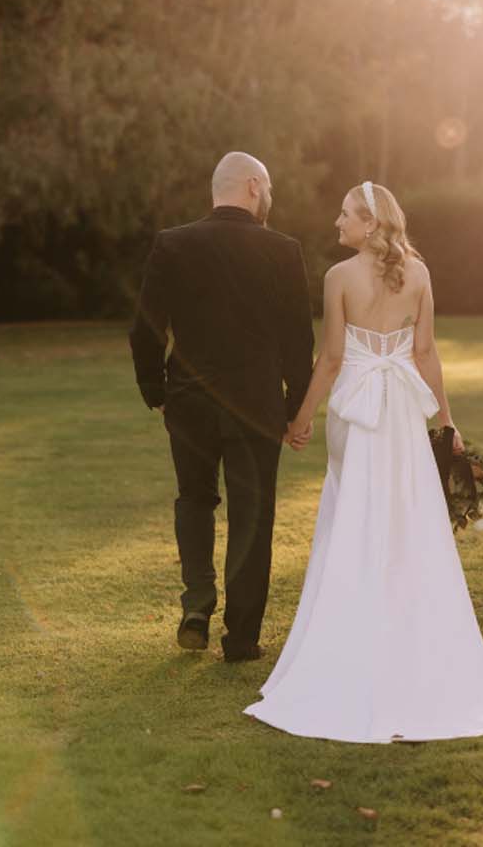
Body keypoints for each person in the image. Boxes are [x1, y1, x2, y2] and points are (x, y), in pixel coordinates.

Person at [243, 181, 483, 741]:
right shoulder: (418, 273)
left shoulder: (338, 278)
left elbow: (328, 359)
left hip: (355, 409)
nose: (337, 223)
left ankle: (349, 640)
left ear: (370, 224)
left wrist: (299, 420)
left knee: (353, 511)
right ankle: (400, 635)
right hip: (400, 409)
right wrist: (445, 420)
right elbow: (424, 353)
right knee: (403, 519)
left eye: (345, 215)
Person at [128, 152, 315, 662]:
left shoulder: (173, 243)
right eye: (269, 188)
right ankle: (241, 639)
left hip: (188, 402)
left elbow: (145, 328)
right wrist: (296, 406)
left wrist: (158, 392)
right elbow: (299, 342)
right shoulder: (282, 250)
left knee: (193, 499)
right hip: (256, 406)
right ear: (254, 187)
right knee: (252, 516)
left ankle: (197, 603)